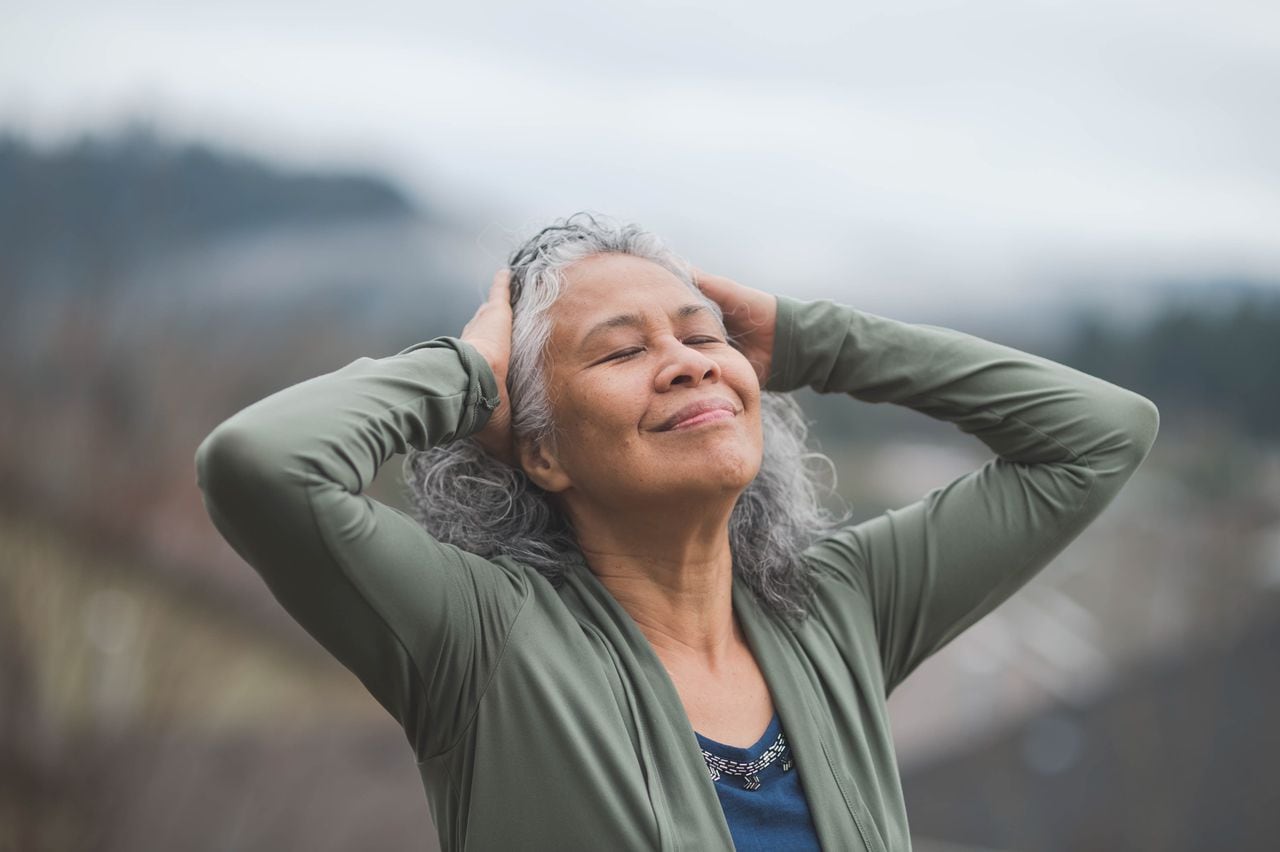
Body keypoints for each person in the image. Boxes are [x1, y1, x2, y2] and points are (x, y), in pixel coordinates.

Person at [194, 212, 1160, 851]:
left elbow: (1098, 437)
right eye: (620, 350)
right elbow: (260, 463)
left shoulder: (837, 608)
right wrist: (468, 373)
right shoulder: (481, 639)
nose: (689, 364)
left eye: (705, 338)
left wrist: (815, 339)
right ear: (543, 452)